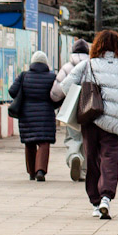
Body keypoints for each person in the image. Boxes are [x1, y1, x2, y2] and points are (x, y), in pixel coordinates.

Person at [60, 30, 118, 220]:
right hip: (115, 124)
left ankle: (95, 202)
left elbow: (65, 86)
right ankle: (106, 197)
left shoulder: (87, 65)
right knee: (110, 160)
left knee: (92, 159)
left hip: (92, 119)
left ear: (97, 46)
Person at [11, 51, 60, 180]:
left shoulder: (24, 76)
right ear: (46, 63)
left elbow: (12, 91)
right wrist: (52, 106)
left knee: (29, 143)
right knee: (44, 143)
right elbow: (58, 95)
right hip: (46, 115)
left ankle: (31, 172)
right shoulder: (51, 77)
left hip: (27, 115)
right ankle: (40, 171)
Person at [50, 39, 90, 181]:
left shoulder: (67, 67)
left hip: (71, 108)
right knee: (87, 137)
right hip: (90, 107)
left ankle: (74, 156)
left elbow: (56, 93)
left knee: (73, 136)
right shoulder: (92, 66)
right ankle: (84, 171)